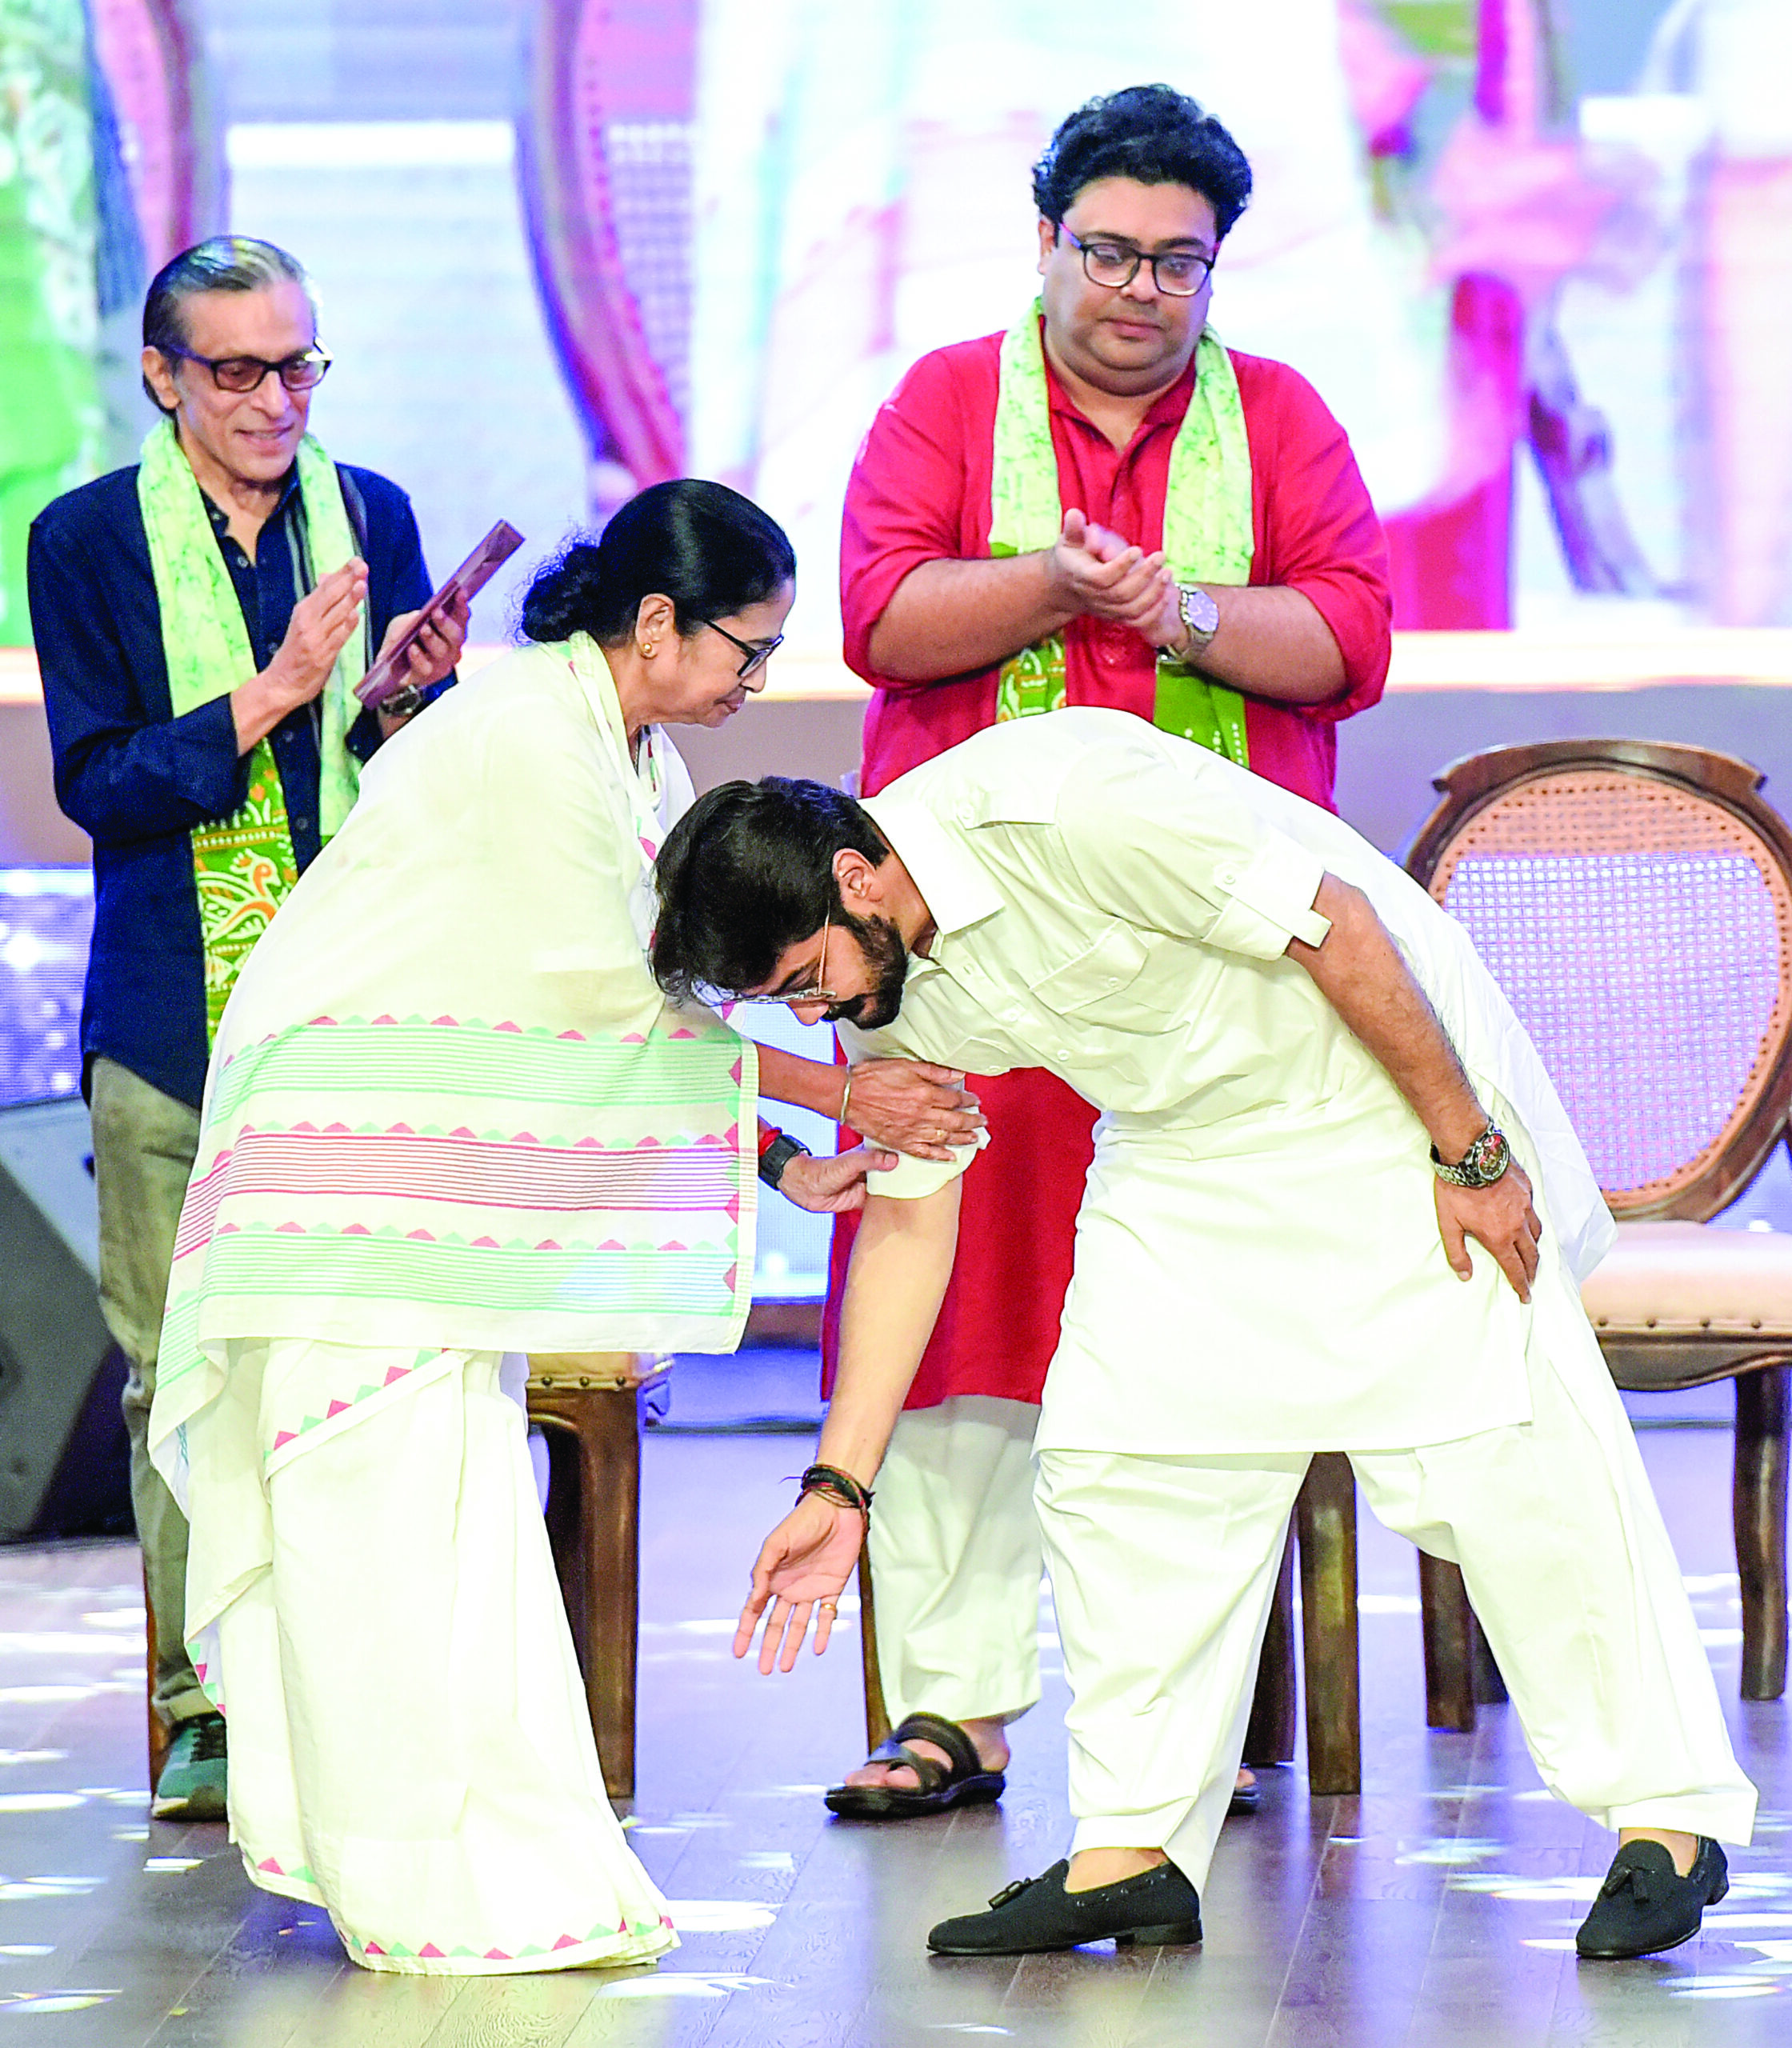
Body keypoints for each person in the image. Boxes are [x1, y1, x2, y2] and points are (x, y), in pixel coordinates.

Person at [650, 709, 1758, 1965]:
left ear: (854, 877)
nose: (814, 1017)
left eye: (805, 983)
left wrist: (1471, 1152)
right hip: (1182, 1146)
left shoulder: (1064, 805)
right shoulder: (880, 972)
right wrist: (839, 1484)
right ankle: (1132, 1848)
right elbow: (914, 1219)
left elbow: (1341, 928)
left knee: (1504, 1462)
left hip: (1374, 1092)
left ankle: (1665, 1818)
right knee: (1114, 1466)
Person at [145, 478, 978, 1976]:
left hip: (423, 1203)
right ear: (656, 621)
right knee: (382, 1543)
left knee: (457, 1535)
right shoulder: (528, 734)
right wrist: (839, 1102)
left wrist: (786, 1154)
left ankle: (505, 1880)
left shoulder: (621, 746)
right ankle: (412, 1890)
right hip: (345, 1190)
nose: (755, 681)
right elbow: (605, 993)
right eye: (749, 646)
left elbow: (638, 1009)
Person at [825, 84, 1391, 1816]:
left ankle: (1175, 1729)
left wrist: (1180, 612)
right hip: (971, 948)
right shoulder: (943, 399)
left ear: (1215, 271)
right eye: (1108, 251)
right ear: (1046, 240)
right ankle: (952, 1706)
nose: (1139, 290)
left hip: (1209, 964)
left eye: (1177, 262)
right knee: (960, 1307)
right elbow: (879, 616)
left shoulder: (1279, 416)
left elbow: (1349, 638)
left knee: (1193, 1322)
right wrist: (1063, 590)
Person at [27, 237, 466, 1820]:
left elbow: (391, 774)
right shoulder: (83, 540)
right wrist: (274, 690)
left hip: (360, 1008)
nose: (277, 399)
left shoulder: (376, 517)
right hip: (170, 1015)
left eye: (299, 366)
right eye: (237, 370)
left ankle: (364, 1669)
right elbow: (103, 782)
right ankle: (199, 1691)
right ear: (161, 375)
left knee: (371, 1358)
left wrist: (405, 692)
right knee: (179, 1373)